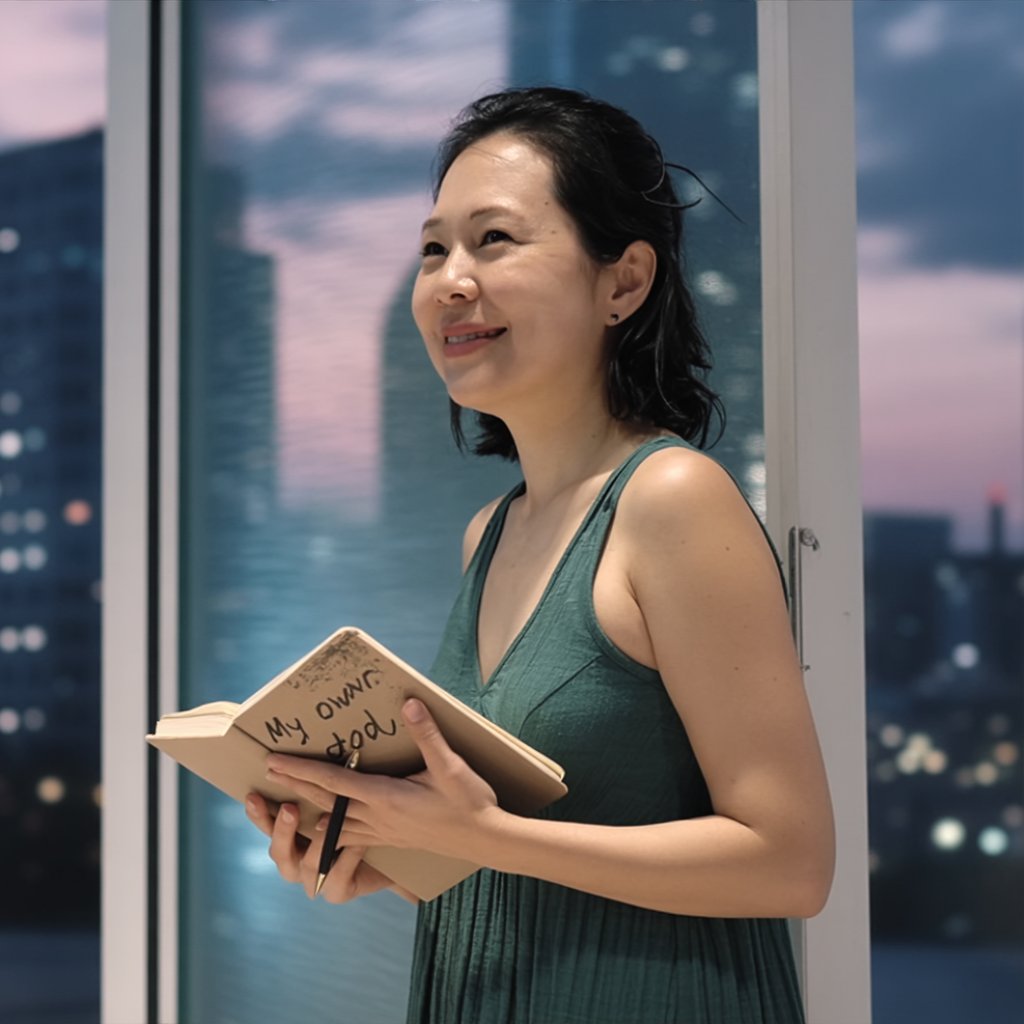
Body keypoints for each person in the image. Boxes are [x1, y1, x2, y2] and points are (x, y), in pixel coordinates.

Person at [246, 86, 835, 1024]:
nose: (449, 279)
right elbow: (525, 844)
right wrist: (386, 852)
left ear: (623, 283)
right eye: (433, 247)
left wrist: (489, 837)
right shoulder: (491, 532)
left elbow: (791, 863)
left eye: (495, 240)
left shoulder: (672, 501)